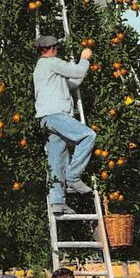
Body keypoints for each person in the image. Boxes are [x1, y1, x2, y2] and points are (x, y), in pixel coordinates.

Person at [33, 35, 95, 215]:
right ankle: (73, 175)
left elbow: (73, 83)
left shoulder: (42, 69)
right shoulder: (51, 62)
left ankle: (57, 201)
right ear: (52, 49)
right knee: (87, 135)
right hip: (56, 114)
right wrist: (84, 59)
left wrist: (81, 69)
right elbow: (77, 72)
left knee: (57, 159)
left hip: (45, 118)